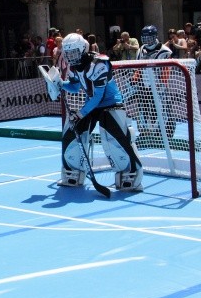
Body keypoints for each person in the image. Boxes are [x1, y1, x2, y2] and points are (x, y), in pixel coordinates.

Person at [43, 33, 143, 191]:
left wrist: (81, 113)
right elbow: (75, 87)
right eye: (67, 53)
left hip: (111, 104)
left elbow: (98, 96)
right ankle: (72, 174)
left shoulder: (99, 64)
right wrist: (61, 84)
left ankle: (131, 175)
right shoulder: (74, 68)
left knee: (114, 139)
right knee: (71, 133)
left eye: (73, 52)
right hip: (92, 105)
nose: (70, 56)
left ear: (82, 49)